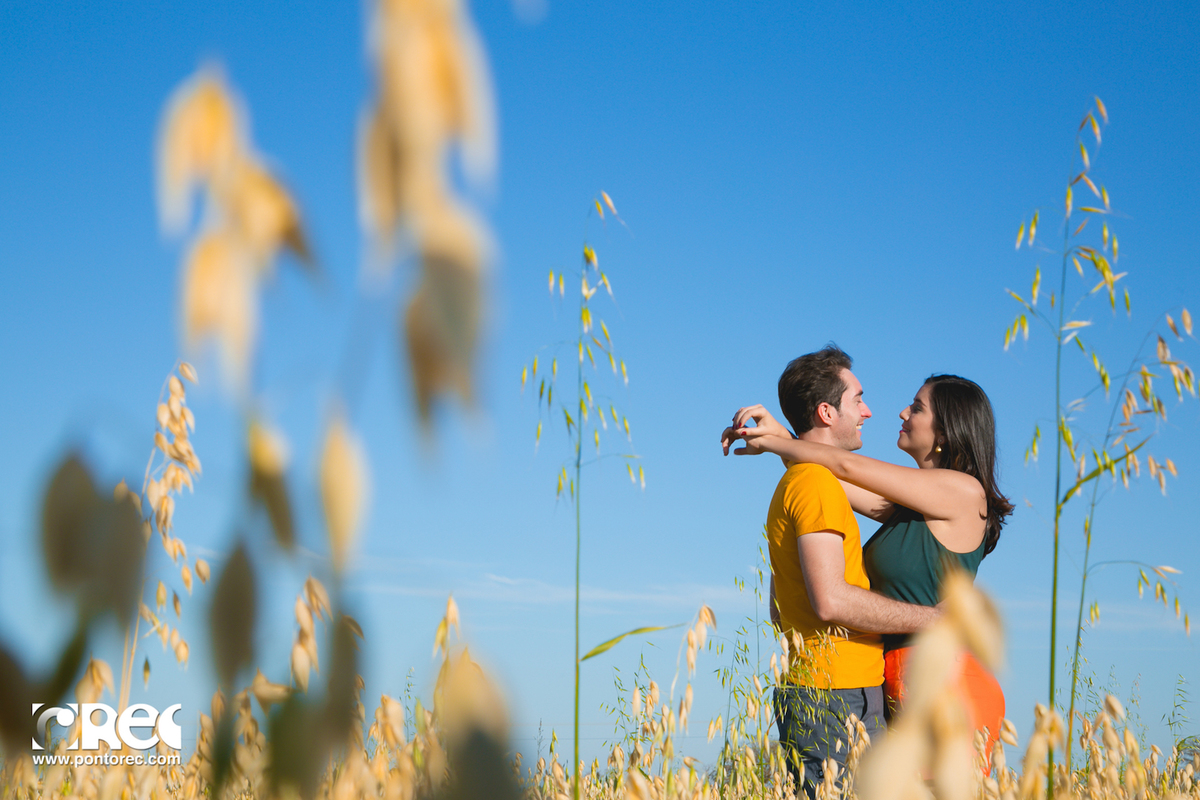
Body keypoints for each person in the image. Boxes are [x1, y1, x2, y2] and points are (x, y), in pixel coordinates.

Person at [725, 357, 1014, 773]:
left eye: (917, 407)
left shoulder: (964, 493)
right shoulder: (907, 509)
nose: (901, 412)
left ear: (946, 431)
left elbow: (843, 465)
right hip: (893, 686)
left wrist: (775, 442)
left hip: (944, 687)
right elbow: (822, 472)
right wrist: (781, 435)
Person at [720, 346, 942, 799]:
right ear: (826, 411)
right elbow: (831, 600)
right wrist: (933, 620)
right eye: (857, 399)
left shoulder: (807, 480)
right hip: (836, 696)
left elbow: (780, 610)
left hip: (827, 691)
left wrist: (783, 439)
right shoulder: (817, 485)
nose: (868, 411)